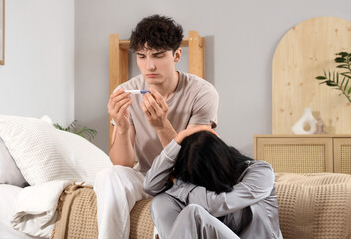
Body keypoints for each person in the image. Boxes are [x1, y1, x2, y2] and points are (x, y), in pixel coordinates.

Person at [93, 15, 219, 239]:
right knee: (107, 175)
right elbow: (121, 163)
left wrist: (162, 126)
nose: (149, 65)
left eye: (158, 56)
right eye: (141, 56)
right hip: (145, 176)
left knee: (173, 196)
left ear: (177, 55)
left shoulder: (202, 93)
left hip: (184, 177)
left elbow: (195, 162)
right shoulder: (126, 91)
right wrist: (121, 127)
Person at [143, 126, 283, 239]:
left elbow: (217, 203)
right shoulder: (198, 191)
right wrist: (177, 140)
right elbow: (150, 186)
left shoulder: (260, 172)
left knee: (193, 213)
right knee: (161, 201)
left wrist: (180, 185)